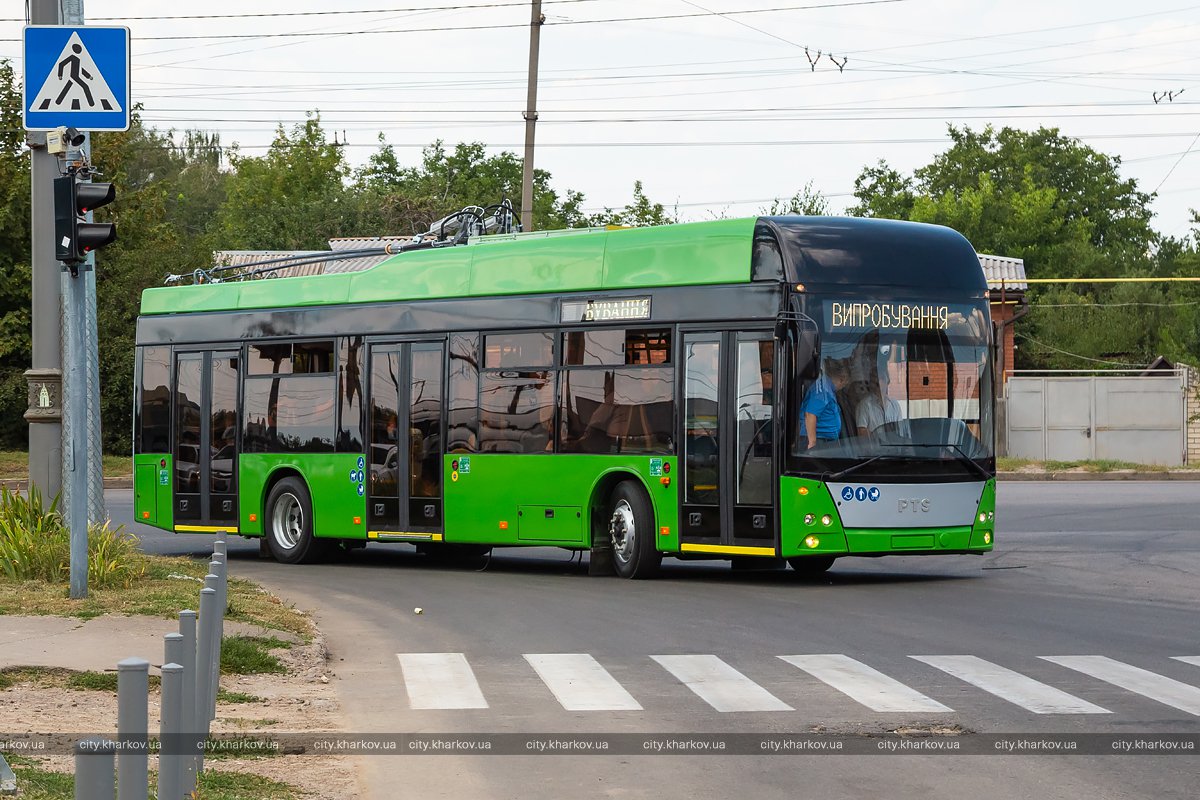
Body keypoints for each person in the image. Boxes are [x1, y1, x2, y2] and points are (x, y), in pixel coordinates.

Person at [801, 359, 849, 449]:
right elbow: (810, 414)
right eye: (844, 384)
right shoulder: (822, 389)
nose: (843, 387)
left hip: (824, 440)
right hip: (819, 440)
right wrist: (812, 444)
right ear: (842, 379)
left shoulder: (827, 389)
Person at [855, 366, 905, 436]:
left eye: (882, 378)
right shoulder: (864, 405)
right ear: (871, 383)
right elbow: (861, 433)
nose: (878, 382)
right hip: (875, 446)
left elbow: (900, 430)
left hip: (894, 444)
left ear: (888, 381)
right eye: (874, 380)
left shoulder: (894, 404)